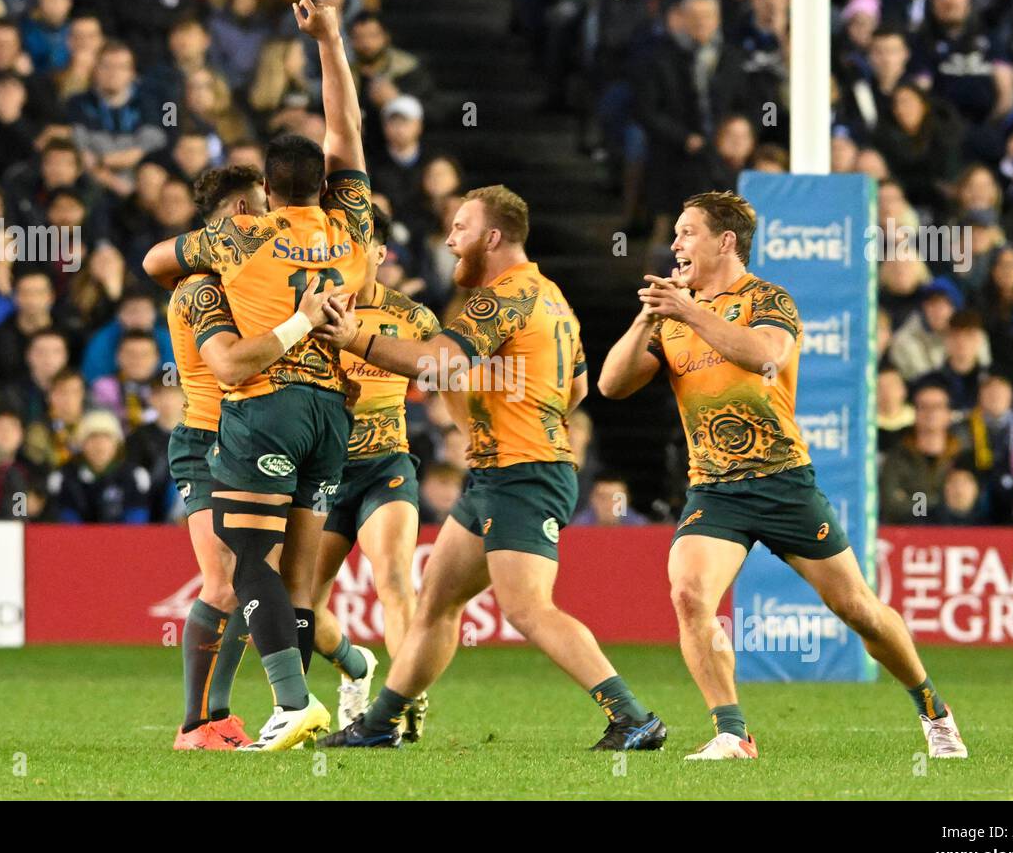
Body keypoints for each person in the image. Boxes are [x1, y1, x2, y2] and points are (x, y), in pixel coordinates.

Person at [598, 190, 967, 760]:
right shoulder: (672, 313)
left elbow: (763, 355)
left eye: (686, 232)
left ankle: (933, 710)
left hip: (782, 482)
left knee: (857, 610)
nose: (674, 244)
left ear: (724, 241)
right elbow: (612, 385)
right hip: (714, 489)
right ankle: (732, 732)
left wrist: (689, 311)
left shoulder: (767, 299)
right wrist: (649, 315)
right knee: (690, 593)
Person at [316, 184, 666, 751]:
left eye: (461, 228)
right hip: (497, 473)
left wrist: (356, 337)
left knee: (528, 607)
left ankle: (632, 716)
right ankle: (379, 726)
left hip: (523, 473)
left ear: (493, 237)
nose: (450, 240)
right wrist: (516, 412)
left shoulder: (500, 298)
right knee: (435, 604)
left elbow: (440, 361)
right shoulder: (552, 298)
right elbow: (575, 387)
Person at [143, 0, 370, 751]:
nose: (249, 210)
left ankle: (271, 711)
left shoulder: (234, 245)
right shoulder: (340, 232)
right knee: (244, 581)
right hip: (229, 425)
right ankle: (204, 721)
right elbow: (348, 134)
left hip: (265, 413)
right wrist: (330, 41)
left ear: (263, 196)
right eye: (238, 207)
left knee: (259, 579)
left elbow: (153, 260)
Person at [162, 164, 335, 750]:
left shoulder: (249, 282)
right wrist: (300, 322)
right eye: (262, 208)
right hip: (207, 441)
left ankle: (218, 716)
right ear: (240, 213)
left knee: (254, 580)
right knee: (225, 582)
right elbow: (229, 363)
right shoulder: (201, 288)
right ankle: (195, 725)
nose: (271, 220)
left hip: (251, 441)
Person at [309, 207, 441, 736]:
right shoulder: (306, 314)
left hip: (386, 465)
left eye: (358, 248)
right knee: (301, 606)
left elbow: (447, 372)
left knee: (391, 578)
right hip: (322, 474)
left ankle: (406, 700)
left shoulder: (414, 318)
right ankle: (354, 665)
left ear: (381, 255)